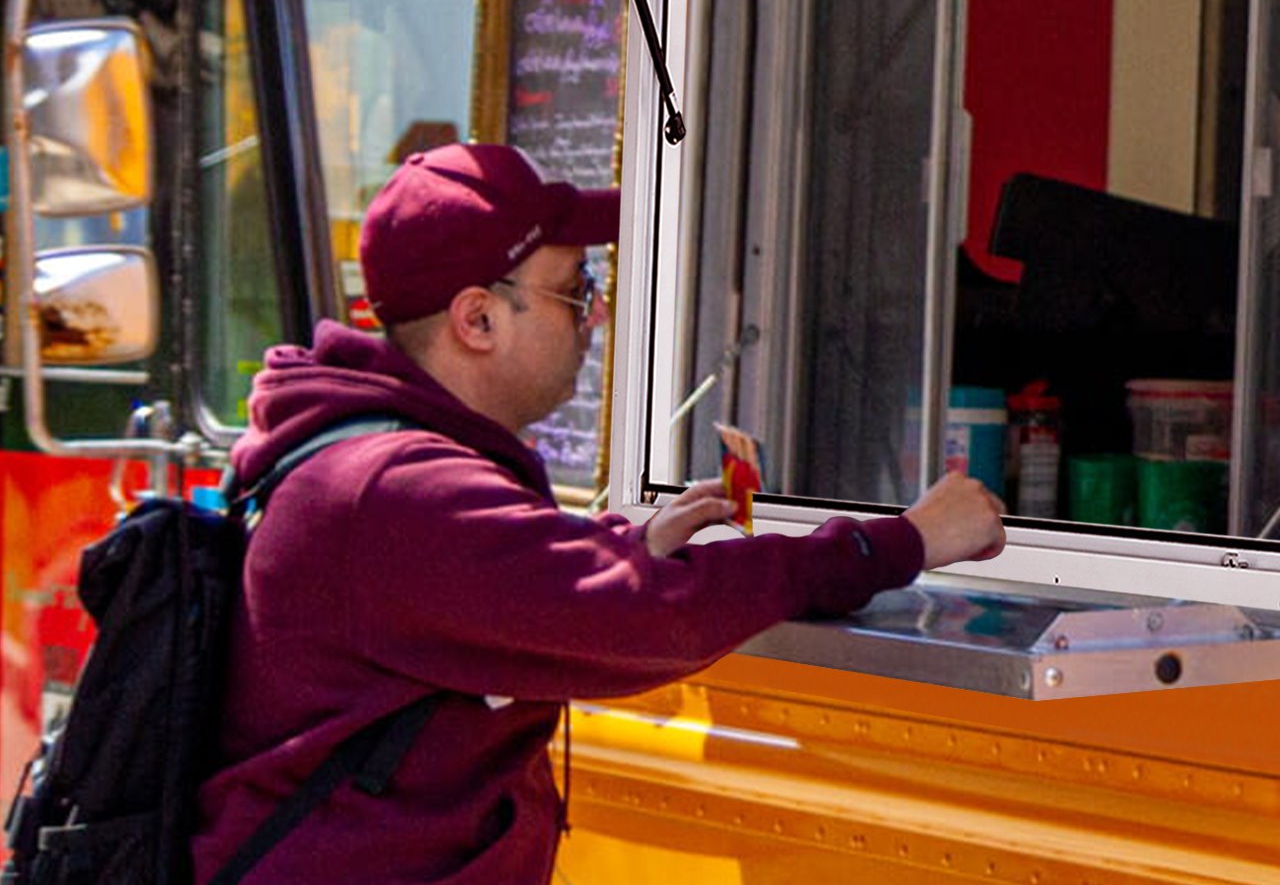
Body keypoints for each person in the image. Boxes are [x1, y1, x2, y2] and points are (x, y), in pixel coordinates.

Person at [191, 142, 1005, 885]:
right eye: (575, 290)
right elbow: (645, 620)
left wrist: (624, 543)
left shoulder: (372, 463)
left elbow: (499, 586)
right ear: (476, 319)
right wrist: (903, 541)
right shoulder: (394, 489)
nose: (597, 316)